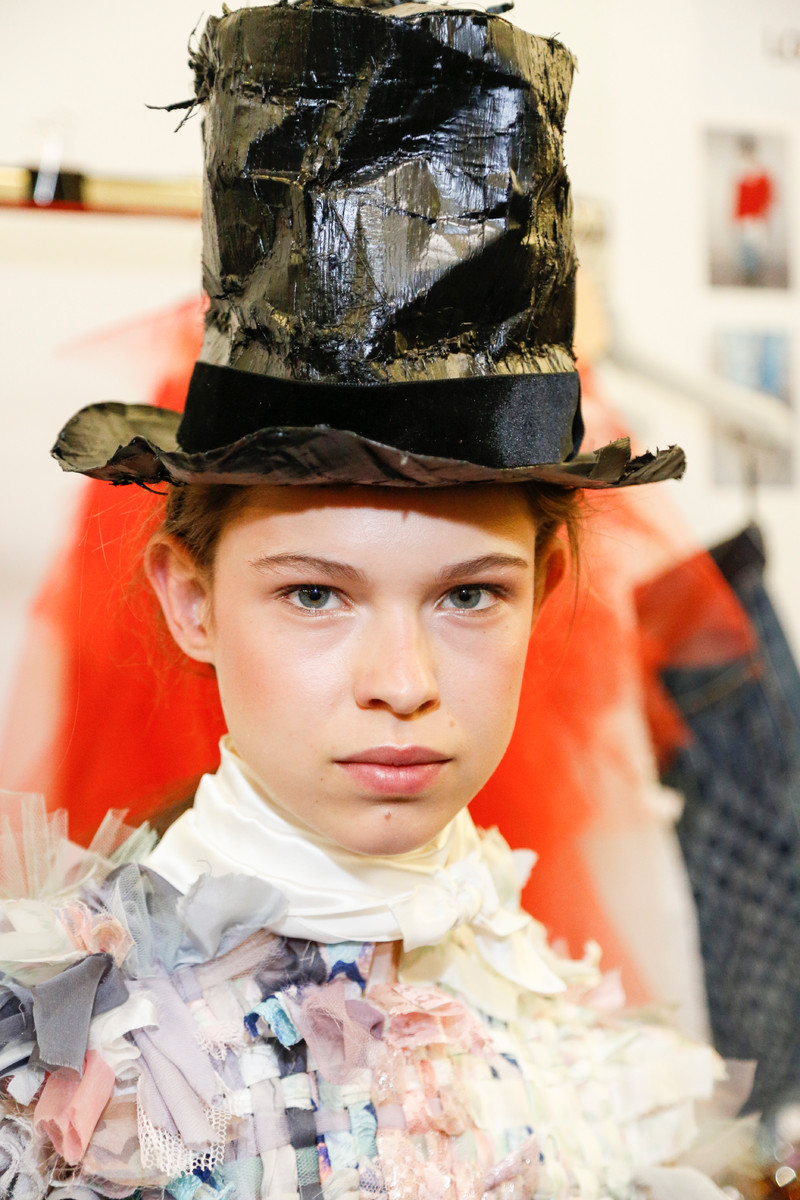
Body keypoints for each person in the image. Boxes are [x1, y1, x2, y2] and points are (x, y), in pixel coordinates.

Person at [0, 4, 732, 1197]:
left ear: (546, 590)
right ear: (191, 599)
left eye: (468, 596)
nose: (403, 683)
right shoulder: (82, 1070)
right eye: (313, 594)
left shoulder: (563, 1023)